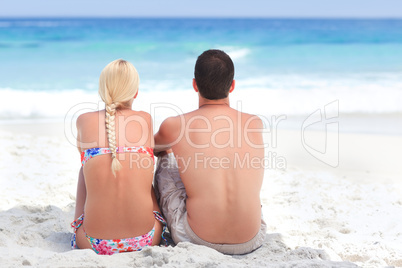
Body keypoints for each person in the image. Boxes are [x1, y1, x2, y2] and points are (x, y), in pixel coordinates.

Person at [154, 49, 266, 255]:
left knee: (165, 158)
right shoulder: (254, 123)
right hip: (252, 238)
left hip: (197, 238)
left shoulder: (175, 125)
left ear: (195, 84)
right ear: (232, 86)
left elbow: (149, 148)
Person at [71, 59, 166, 255]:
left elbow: (84, 157)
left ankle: (79, 220)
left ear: (102, 89)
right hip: (147, 238)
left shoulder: (83, 120)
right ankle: (155, 215)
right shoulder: (144, 119)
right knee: (142, 165)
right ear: (136, 92)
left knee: (85, 167)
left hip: (91, 242)